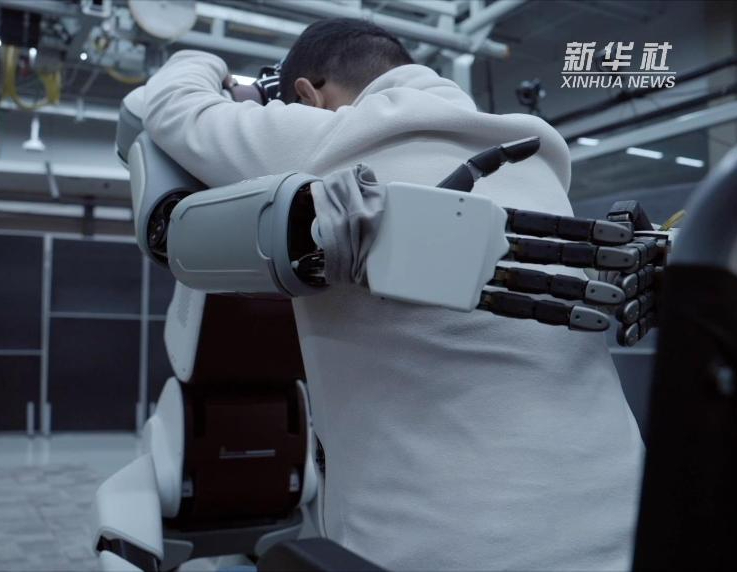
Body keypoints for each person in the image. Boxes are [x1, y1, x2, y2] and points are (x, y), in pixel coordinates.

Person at [142, 18, 643, 571]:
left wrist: (214, 69)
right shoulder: (537, 161)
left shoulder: (328, 134)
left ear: (308, 95)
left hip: (449, 553)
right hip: (631, 526)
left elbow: (166, 103)